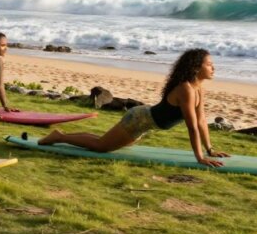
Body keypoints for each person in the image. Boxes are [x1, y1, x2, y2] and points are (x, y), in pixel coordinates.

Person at [38, 49, 230, 167]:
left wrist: (210, 150)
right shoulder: (185, 89)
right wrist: (200, 157)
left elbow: (202, 121)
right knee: (101, 147)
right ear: (196, 67)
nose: (214, 68)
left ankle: (62, 136)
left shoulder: (198, 88)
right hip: (138, 119)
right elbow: (192, 126)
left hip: (145, 123)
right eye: (210, 64)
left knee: (104, 142)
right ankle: (59, 136)